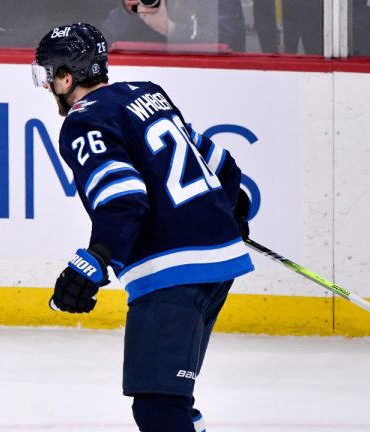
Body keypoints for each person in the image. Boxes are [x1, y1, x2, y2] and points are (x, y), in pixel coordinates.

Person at [32, 23, 254, 431]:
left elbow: (123, 198)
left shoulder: (82, 121)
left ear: (67, 76)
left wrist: (94, 260)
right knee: (173, 398)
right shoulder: (149, 94)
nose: (47, 86)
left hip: (173, 272)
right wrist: (234, 212)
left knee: (157, 405)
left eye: (48, 75)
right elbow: (222, 165)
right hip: (219, 264)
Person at [102, 0, 246, 52]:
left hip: (212, 81)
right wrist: (130, 11)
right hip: (150, 81)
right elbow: (106, 40)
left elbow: (226, 40)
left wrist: (171, 29)